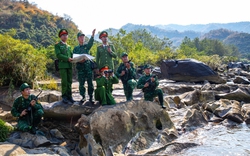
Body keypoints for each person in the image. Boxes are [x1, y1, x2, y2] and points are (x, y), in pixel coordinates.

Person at [73, 29, 96, 103]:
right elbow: (74, 58)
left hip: (88, 67)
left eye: (83, 37)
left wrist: (92, 35)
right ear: (78, 38)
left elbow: (91, 43)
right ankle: (83, 97)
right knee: (81, 84)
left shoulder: (87, 46)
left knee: (90, 83)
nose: (82, 38)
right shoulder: (76, 49)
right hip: (80, 68)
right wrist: (79, 60)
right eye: (80, 37)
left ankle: (91, 97)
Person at [54, 29, 75, 104]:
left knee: (70, 81)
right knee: (65, 81)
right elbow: (58, 55)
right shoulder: (58, 45)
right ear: (60, 37)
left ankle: (70, 96)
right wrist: (67, 58)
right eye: (63, 35)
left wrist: (77, 58)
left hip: (69, 65)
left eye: (66, 35)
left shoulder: (68, 46)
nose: (65, 36)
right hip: (63, 65)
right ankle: (64, 97)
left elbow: (72, 55)